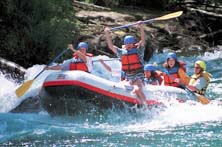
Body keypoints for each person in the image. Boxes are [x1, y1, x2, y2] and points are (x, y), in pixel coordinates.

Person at [104, 21, 145, 86]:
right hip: (128, 78)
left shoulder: (138, 51)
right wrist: (107, 34)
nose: (129, 45)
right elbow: (111, 46)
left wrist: (141, 28)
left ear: (133, 44)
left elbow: (142, 41)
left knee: (136, 89)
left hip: (139, 77)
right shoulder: (121, 53)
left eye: (130, 43)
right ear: (125, 45)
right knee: (118, 86)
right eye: (127, 44)